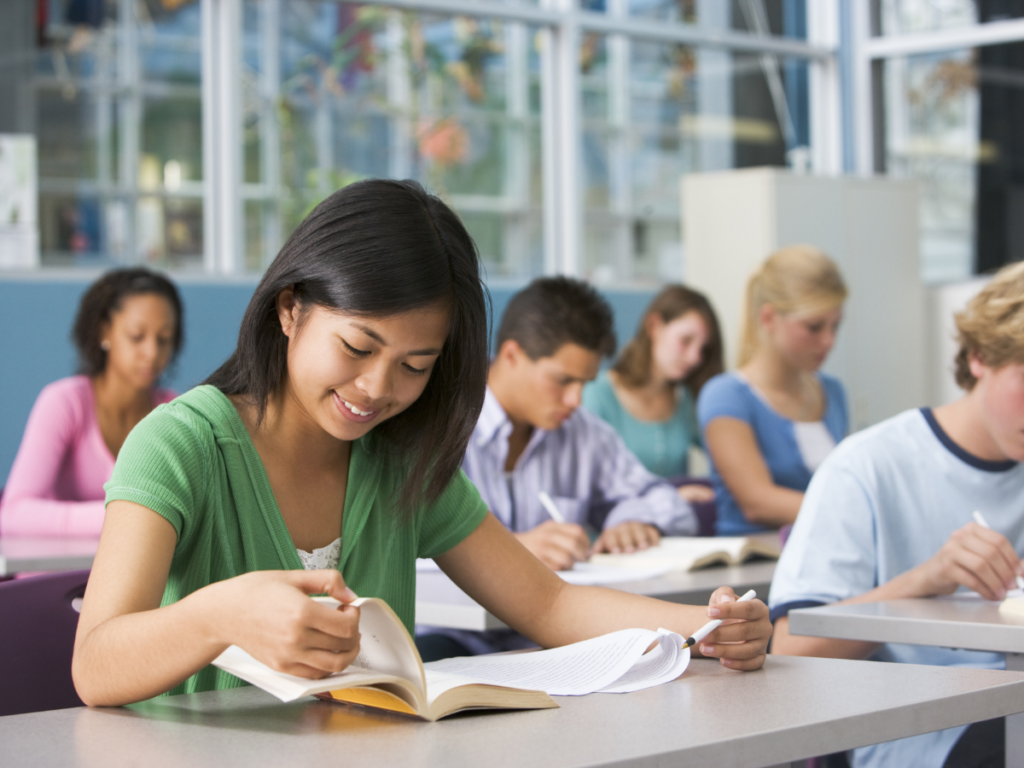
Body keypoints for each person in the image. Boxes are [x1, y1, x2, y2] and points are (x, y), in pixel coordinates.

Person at [70, 180, 771, 706]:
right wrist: (218, 614)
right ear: (290, 310)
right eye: (357, 346)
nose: (376, 387)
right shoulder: (180, 445)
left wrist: (707, 625)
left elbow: (550, 605)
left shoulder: (401, 458)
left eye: (415, 365)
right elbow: (94, 665)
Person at [768, 260, 1024, 768]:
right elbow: (787, 650)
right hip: (919, 735)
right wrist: (923, 581)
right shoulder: (866, 467)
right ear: (978, 357)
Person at [414, 278, 702, 659]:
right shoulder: (437, 427)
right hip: (453, 638)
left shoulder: (585, 434)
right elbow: (402, 546)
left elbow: (664, 499)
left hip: (555, 640)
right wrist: (508, 551)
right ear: (512, 355)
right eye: (563, 380)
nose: (575, 399)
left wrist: (635, 520)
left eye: (584, 383)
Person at [0, 268, 182, 538]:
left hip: (141, 576)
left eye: (164, 339)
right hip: (60, 577)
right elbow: (13, 513)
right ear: (104, 332)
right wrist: (124, 514)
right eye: (136, 336)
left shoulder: (175, 413)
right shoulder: (64, 403)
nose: (152, 353)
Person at [696, 246, 848, 536]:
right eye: (814, 327)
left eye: (836, 326)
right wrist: (853, 508)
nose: (829, 340)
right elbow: (758, 502)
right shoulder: (726, 396)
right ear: (768, 319)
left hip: (824, 557)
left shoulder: (833, 392)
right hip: (755, 568)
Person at [583, 284, 722, 502]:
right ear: (654, 327)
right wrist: (666, 498)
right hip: (616, 530)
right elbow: (589, 489)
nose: (695, 357)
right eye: (685, 341)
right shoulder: (597, 395)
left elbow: (725, 458)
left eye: (703, 349)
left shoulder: (686, 399)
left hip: (675, 530)